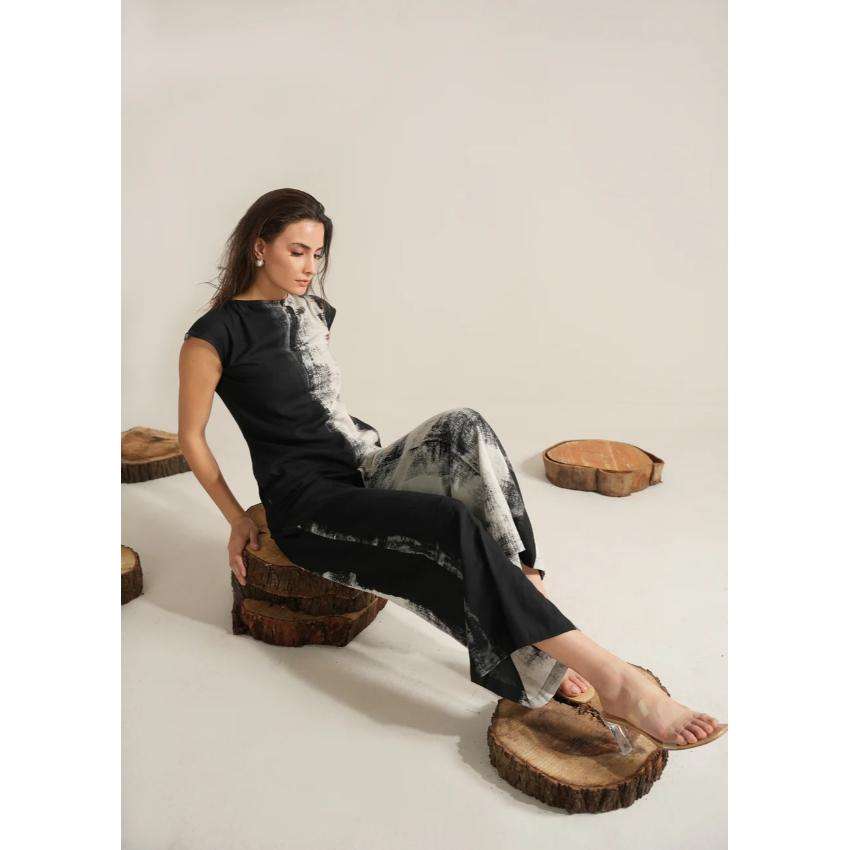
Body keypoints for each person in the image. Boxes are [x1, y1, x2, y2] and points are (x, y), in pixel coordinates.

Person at [177, 188, 726, 751]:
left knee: (463, 428)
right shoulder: (212, 336)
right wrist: (236, 517)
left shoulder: (314, 312)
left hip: (363, 464)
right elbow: (191, 438)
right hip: (308, 503)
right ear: (259, 247)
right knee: (447, 521)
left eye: (317, 254)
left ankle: (531, 606)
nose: (309, 267)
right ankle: (617, 681)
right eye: (297, 252)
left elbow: (321, 409)